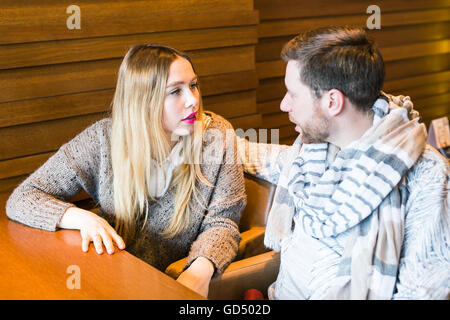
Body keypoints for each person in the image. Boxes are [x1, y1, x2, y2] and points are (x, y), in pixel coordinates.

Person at [6, 44, 246, 298]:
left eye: (193, 85)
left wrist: (200, 268)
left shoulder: (217, 136)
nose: (192, 100)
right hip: (104, 276)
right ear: (143, 100)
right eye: (175, 91)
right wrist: (81, 218)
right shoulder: (104, 138)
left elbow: (223, 222)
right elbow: (23, 197)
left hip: (164, 286)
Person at [238, 26, 449, 299]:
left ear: (333, 101)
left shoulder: (427, 177)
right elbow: (265, 159)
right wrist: (210, 136)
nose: (283, 104)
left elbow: (421, 293)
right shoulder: (312, 150)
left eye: (293, 93)